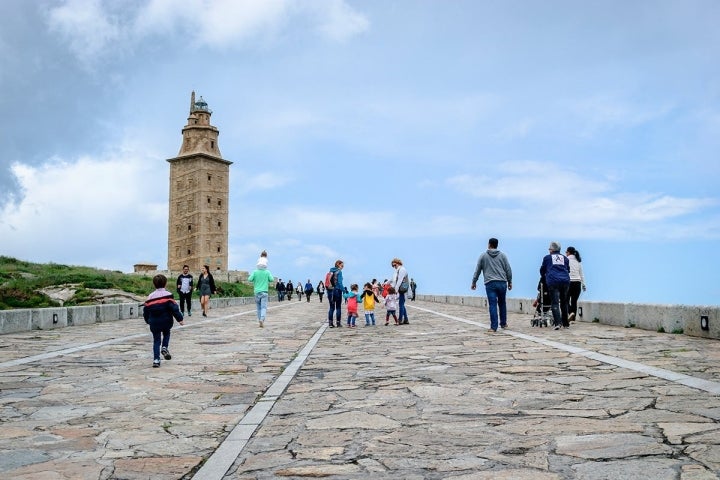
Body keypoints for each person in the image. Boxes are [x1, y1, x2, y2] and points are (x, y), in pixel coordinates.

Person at [471, 237, 513, 333]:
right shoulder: (503, 256)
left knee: (493, 304)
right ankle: (503, 323)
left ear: (489, 244)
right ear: (497, 245)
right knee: (502, 303)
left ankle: (493, 327)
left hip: (490, 284)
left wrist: (474, 282)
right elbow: (508, 269)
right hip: (502, 282)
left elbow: (477, 270)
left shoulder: (483, 256)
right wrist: (510, 281)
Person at [143, 274, 184, 368]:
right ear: (165, 284)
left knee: (156, 340)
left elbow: (146, 310)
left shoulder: (150, 296)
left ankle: (156, 360)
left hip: (154, 322)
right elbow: (175, 309)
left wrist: (148, 320)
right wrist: (180, 319)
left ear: (154, 284)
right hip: (166, 321)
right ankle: (165, 347)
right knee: (166, 333)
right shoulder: (168, 295)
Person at [541, 241, 571, 330]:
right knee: (564, 302)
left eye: (549, 248)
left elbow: (542, 269)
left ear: (552, 250)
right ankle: (566, 323)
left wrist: (543, 276)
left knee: (555, 302)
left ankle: (558, 323)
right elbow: (568, 269)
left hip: (553, 281)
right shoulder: (565, 258)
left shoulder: (547, 258)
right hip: (565, 281)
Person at [248, 258, 274, 328]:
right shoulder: (267, 272)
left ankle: (260, 319)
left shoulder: (255, 272)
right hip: (264, 292)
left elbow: (249, 279)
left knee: (258, 308)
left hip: (257, 292)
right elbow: (272, 279)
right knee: (263, 307)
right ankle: (262, 319)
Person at [565, 246, 586, 322]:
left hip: (568, 283)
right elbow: (582, 274)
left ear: (568, 252)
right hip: (578, 283)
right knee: (574, 301)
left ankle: (571, 313)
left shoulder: (566, 260)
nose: (565, 254)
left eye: (566, 252)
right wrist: (583, 285)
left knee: (565, 300)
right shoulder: (578, 262)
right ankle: (573, 319)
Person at [391, 258, 410, 324]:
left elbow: (399, 280)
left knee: (401, 304)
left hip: (402, 289)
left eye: (394, 265)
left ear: (398, 263)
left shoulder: (402, 270)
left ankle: (400, 319)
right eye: (393, 266)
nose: (394, 267)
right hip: (401, 289)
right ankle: (406, 319)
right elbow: (393, 279)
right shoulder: (399, 270)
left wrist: (395, 289)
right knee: (402, 304)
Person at [326, 260, 344, 328]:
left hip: (330, 291)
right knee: (338, 307)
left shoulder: (330, 271)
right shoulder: (339, 271)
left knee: (331, 307)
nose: (342, 267)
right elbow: (339, 283)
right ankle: (338, 323)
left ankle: (330, 323)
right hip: (337, 290)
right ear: (338, 265)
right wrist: (344, 290)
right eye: (342, 265)